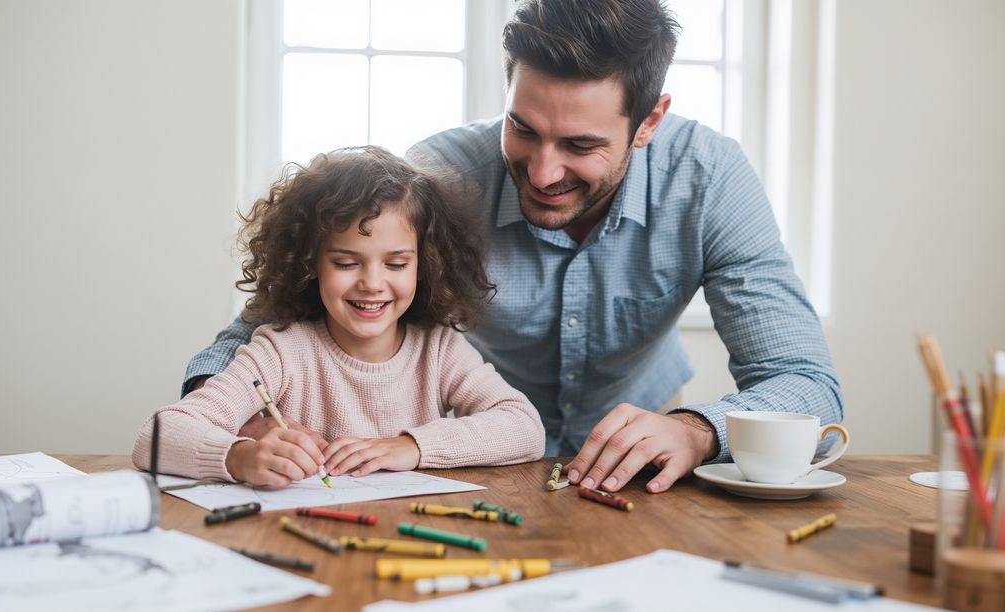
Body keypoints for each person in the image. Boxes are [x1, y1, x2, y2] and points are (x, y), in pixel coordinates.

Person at [182, 0, 842, 494]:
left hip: (641, 472)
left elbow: (807, 384)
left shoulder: (711, 181)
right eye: (523, 129)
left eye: (581, 145)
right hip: (476, 465)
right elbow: (261, 330)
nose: (545, 171)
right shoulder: (441, 178)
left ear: (650, 122)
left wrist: (697, 431)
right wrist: (244, 426)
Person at [133, 146, 545, 487]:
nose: (372, 283)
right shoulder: (281, 349)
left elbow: (525, 428)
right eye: (347, 263)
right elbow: (155, 436)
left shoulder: (439, 348)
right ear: (309, 263)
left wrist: (412, 446)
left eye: (397, 264)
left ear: (427, 264)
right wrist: (241, 457)